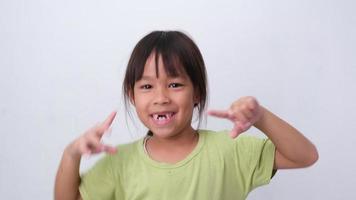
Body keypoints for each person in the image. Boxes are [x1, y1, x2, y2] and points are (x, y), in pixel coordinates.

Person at [54, 30, 318, 200]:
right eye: (147, 86)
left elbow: (305, 156)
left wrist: (260, 116)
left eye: (175, 84)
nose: (161, 98)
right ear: (132, 96)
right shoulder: (119, 162)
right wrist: (71, 154)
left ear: (198, 93)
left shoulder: (231, 150)